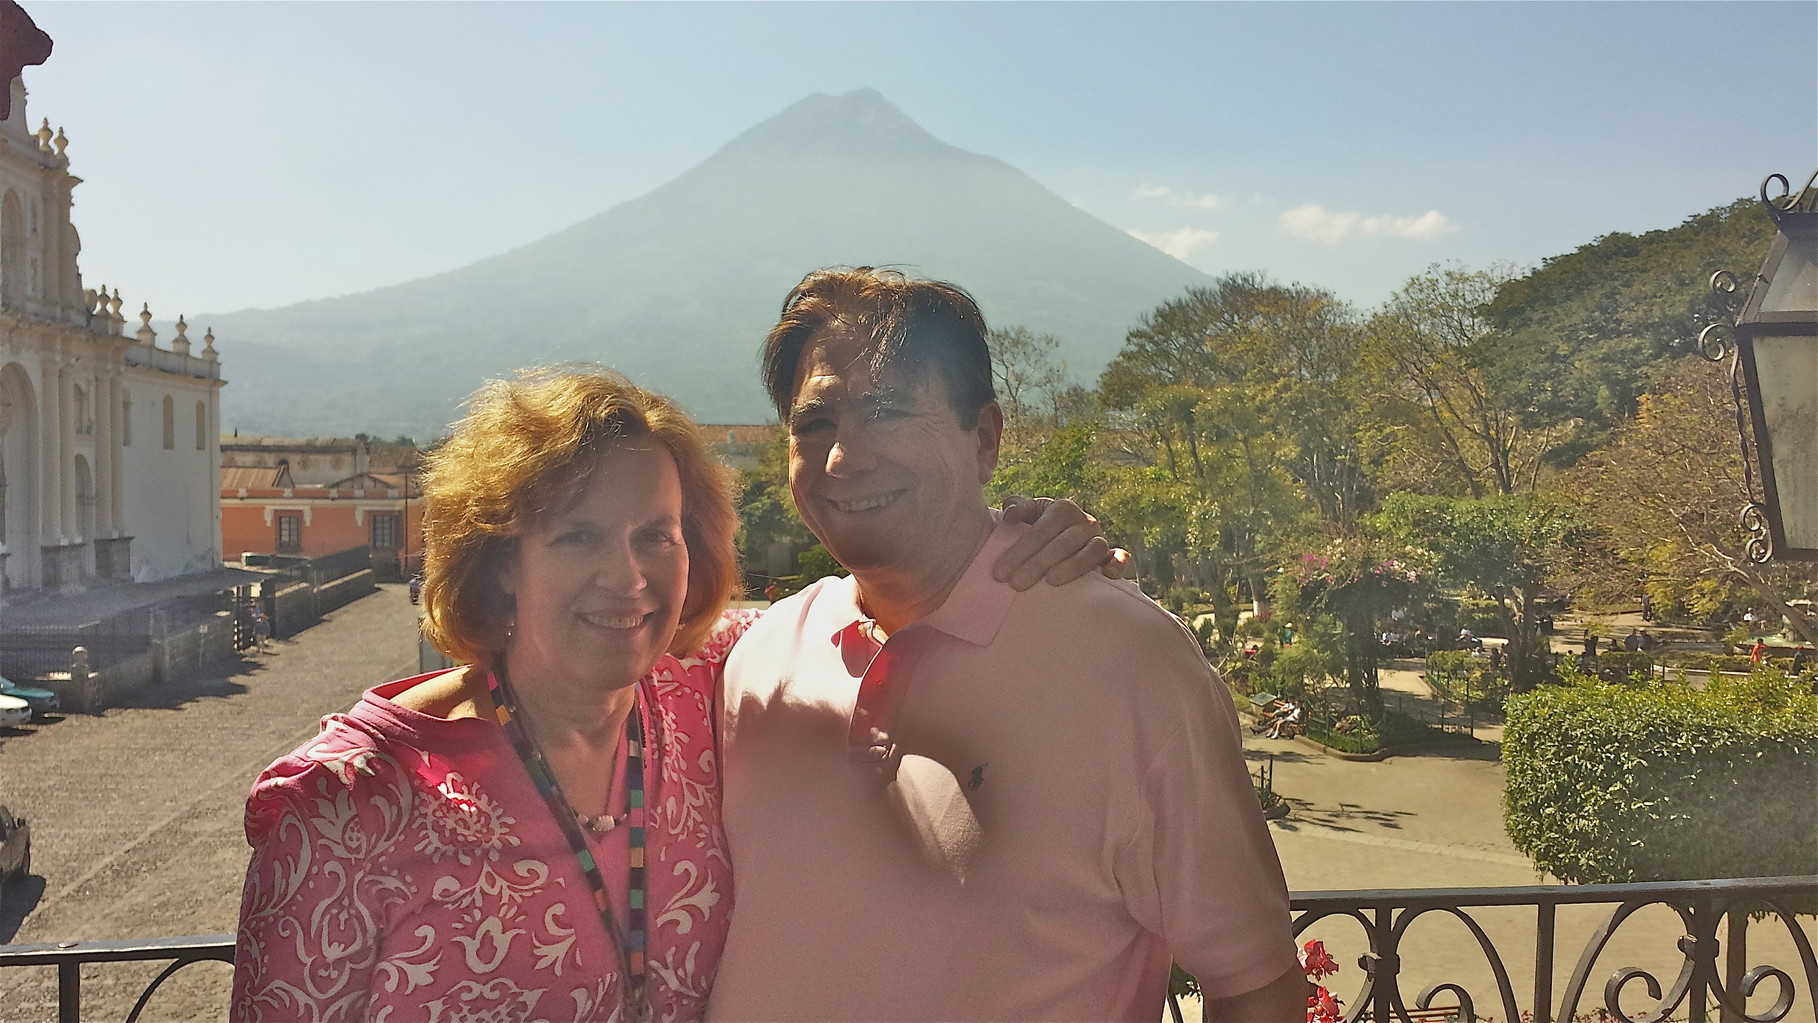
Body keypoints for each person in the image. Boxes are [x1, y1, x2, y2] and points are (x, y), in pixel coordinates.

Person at [231, 367, 1115, 1022]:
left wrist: (1022, 555)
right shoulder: (346, 809)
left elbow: (894, 610)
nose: (629, 578)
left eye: (657, 535)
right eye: (579, 536)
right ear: (503, 561)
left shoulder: (710, 687)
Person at [710, 269, 1303, 1021]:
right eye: (814, 424)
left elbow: (1254, 982)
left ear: (984, 438)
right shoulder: (759, 655)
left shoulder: (1130, 666)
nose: (841, 458)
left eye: (885, 411)